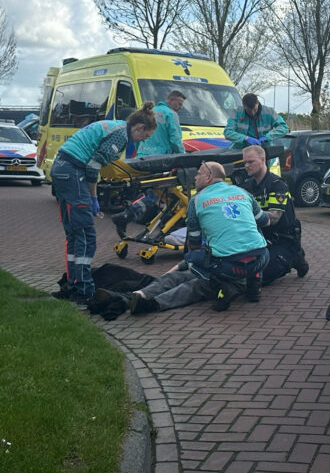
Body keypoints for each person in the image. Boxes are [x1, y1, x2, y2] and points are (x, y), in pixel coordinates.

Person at [95, 161, 270, 314]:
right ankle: (254, 285)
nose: (194, 178)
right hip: (261, 259)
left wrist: (188, 261)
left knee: (192, 276)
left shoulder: (197, 201)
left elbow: (193, 244)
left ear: (209, 177)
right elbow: (265, 221)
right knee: (257, 236)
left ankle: (151, 302)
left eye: (198, 174)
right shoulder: (243, 193)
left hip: (229, 268)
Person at [51, 103, 158, 303]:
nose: (144, 140)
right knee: (85, 234)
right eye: (146, 135)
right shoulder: (121, 136)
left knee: (75, 233)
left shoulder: (114, 126)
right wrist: (92, 197)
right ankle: (83, 291)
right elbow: (93, 167)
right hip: (74, 171)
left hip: (62, 168)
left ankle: (74, 284)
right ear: (139, 127)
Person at [112, 90, 187, 237]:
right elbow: (175, 140)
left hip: (143, 158)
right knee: (160, 194)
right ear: (171, 100)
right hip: (160, 161)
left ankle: (133, 215)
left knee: (153, 193)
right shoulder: (171, 115)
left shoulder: (151, 112)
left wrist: (141, 153)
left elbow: (140, 139)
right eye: (179, 103)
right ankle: (128, 215)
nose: (180, 107)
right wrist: (183, 159)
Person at [240, 144, 308, 297]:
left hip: (282, 240)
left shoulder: (277, 185)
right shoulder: (246, 186)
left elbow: (274, 218)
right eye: (245, 162)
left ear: (263, 160)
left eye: (251, 162)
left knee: (263, 276)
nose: (246, 166)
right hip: (260, 240)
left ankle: (294, 257)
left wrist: (249, 216)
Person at [223, 93, 288, 150]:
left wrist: (268, 137)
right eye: (249, 111)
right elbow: (227, 132)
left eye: (255, 110)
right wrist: (245, 138)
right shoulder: (237, 113)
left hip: (264, 153)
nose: (253, 113)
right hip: (240, 153)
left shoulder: (270, 112)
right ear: (244, 106)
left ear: (258, 103)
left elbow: (284, 127)